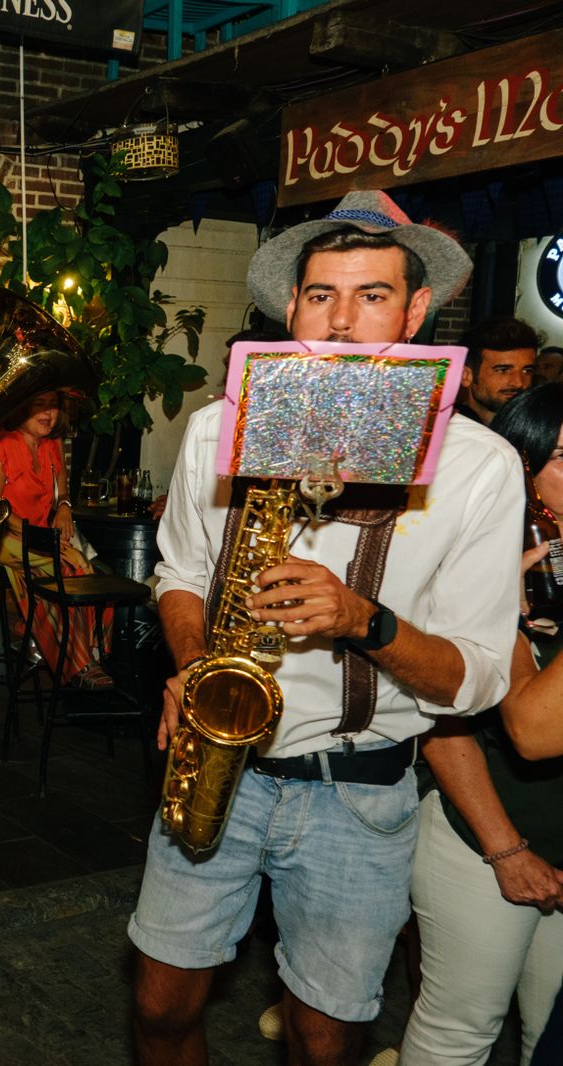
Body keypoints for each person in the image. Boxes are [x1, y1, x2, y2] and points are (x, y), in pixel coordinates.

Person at [131, 189, 523, 1066]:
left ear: (418, 310)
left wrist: (363, 620)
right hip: (219, 762)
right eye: (320, 296)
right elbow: (182, 573)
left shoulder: (481, 467)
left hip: (360, 792)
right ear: (290, 305)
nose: (340, 323)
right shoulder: (214, 431)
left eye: (372, 296)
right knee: (159, 1007)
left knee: (325, 1037)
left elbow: (480, 678)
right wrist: (198, 668)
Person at [395, 382, 563, 1065]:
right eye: (561, 457)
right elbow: (440, 722)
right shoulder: (481, 563)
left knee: (548, 1034)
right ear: (520, 468)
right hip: (487, 836)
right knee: (460, 1032)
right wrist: (505, 848)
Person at [0, 390, 112, 688]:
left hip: (38, 537)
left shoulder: (52, 445)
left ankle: (84, 651)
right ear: (19, 410)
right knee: (68, 570)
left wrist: (64, 509)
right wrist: (39, 538)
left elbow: (62, 494)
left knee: (91, 575)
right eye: (38, 404)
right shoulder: (2, 447)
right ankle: (75, 662)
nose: (48, 413)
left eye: (52, 406)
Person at [455, 315, 539, 425]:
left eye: (527, 371)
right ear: (466, 375)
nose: (518, 383)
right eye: (503, 370)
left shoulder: (544, 432)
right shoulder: (443, 433)